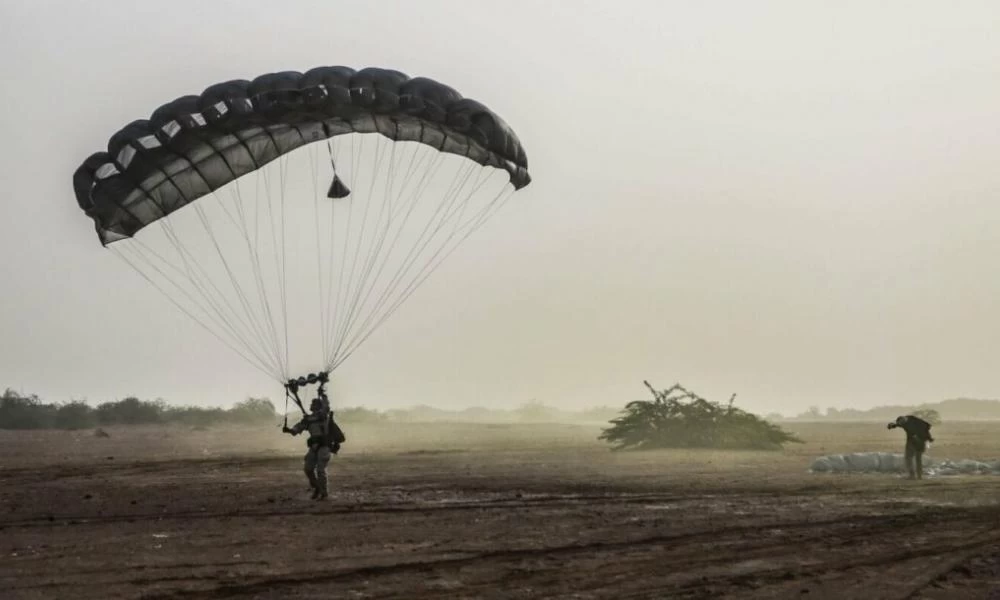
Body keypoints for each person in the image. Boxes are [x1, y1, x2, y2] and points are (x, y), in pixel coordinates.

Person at [283, 395, 335, 500]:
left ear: (318, 406)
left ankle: (324, 493)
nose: (311, 405)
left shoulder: (323, 416)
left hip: (324, 446)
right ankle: (317, 487)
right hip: (314, 447)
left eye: (313, 404)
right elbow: (297, 429)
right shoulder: (308, 419)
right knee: (308, 469)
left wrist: (323, 396)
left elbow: (326, 407)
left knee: (320, 470)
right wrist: (289, 430)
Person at [887, 415, 934, 480]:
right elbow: (898, 424)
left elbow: (927, 426)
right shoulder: (904, 422)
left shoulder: (915, 421)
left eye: (902, 423)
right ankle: (912, 475)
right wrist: (892, 425)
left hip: (920, 441)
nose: (902, 424)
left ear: (904, 419)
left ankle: (919, 476)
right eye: (901, 423)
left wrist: (928, 438)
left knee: (918, 459)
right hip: (911, 441)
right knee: (908, 457)